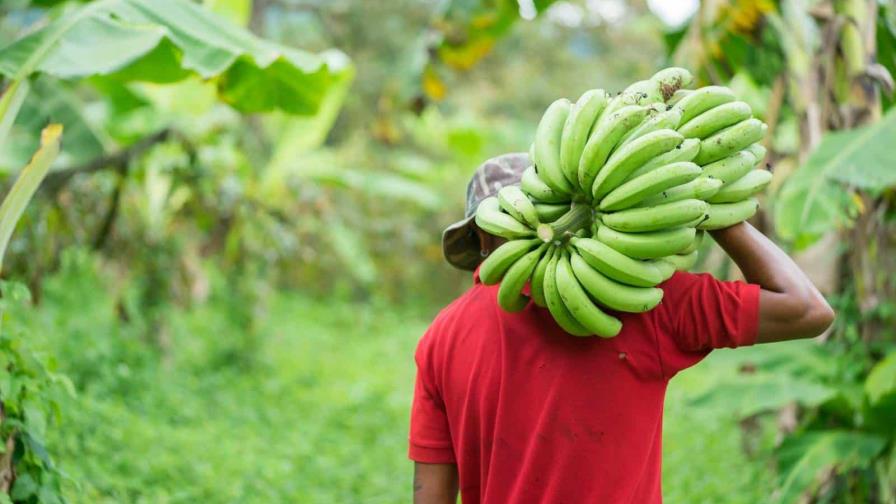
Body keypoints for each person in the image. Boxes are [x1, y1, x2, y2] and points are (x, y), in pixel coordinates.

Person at [408, 153, 835, 504]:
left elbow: (432, 496)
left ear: (480, 241)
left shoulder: (441, 338)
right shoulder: (644, 302)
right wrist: (713, 209)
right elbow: (806, 309)